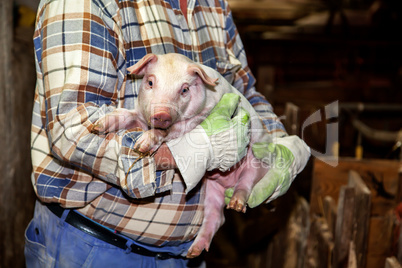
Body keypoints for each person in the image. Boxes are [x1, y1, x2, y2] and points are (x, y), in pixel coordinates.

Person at [25, 0, 310, 267]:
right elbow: (72, 131)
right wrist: (183, 153)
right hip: (95, 248)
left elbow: (245, 92)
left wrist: (275, 149)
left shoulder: (214, 5)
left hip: (187, 254)